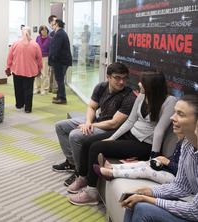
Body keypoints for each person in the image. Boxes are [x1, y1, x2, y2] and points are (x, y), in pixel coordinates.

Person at [68, 72, 177, 205]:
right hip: (130, 135)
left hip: (144, 144)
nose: (139, 84)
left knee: (96, 147)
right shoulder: (142, 96)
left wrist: (152, 157)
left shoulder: (169, 101)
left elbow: (159, 130)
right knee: (87, 142)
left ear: (151, 86)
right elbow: (130, 121)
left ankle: (92, 193)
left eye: (142, 82)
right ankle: (83, 177)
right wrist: (112, 138)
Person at [53, 62, 136, 188]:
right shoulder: (101, 87)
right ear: (108, 77)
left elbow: (114, 124)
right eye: (117, 78)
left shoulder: (129, 96)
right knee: (60, 126)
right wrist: (88, 122)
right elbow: (92, 106)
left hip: (111, 130)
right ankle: (72, 163)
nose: (121, 82)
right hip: (97, 121)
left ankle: (80, 173)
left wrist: (93, 126)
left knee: (75, 136)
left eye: (124, 78)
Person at [122, 95, 198, 222]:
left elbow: (194, 211)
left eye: (180, 114)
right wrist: (148, 192)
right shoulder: (187, 144)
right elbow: (181, 187)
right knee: (134, 202)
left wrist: (148, 199)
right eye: (175, 112)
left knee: (143, 208)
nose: (172, 118)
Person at [96, 135, 183, 184]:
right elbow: (175, 159)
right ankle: (112, 167)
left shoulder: (193, 148)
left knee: (146, 170)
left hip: (179, 181)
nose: (172, 118)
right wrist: (163, 161)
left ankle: (112, 173)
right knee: (143, 163)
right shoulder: (182, 142)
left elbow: (187, 175)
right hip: (169, 171)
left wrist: (168, 162)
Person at [5, 26, 42, 113]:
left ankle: (19, 104)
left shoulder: (15, 44)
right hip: (30, 71)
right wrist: (39, 69)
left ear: (22, 33)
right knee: (28, 90)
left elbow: (9, 58)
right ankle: (28, 108)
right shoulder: (35, 45)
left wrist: (8, 67)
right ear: (30, 33)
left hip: (17, 70)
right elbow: (39, 59)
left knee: (18, 88)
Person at [48, 19, 72, 104]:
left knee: (60, 80)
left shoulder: (59, 34)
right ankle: (59, 96)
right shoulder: (61, 33)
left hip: (60, 61)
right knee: (59, 79)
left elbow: (56, 49)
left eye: (53, 24)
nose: (51, 26)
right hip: (62, 61)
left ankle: (62, 98)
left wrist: (52, 60)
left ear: (57, 24)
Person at [34, 25, 50, 95]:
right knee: (37, 74)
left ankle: (44, 89)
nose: (44, 31)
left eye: (45, 29)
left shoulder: (50, 39)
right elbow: (35, 47)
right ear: (40, 31)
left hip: (45, 58)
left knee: (44, 74)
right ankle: (37, 88)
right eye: (42, 30)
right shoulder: (37, 38)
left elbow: (51, 50)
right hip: (37, 58)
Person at [47, 15, 57, 93]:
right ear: (50, 22)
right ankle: (51, 88)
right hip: (51, 56)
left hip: (55, 57)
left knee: (54, 73)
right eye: (54, 20)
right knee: (51, 73)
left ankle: (53, 88)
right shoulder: (50, 33)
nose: (56, 22)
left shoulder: (56, 31)